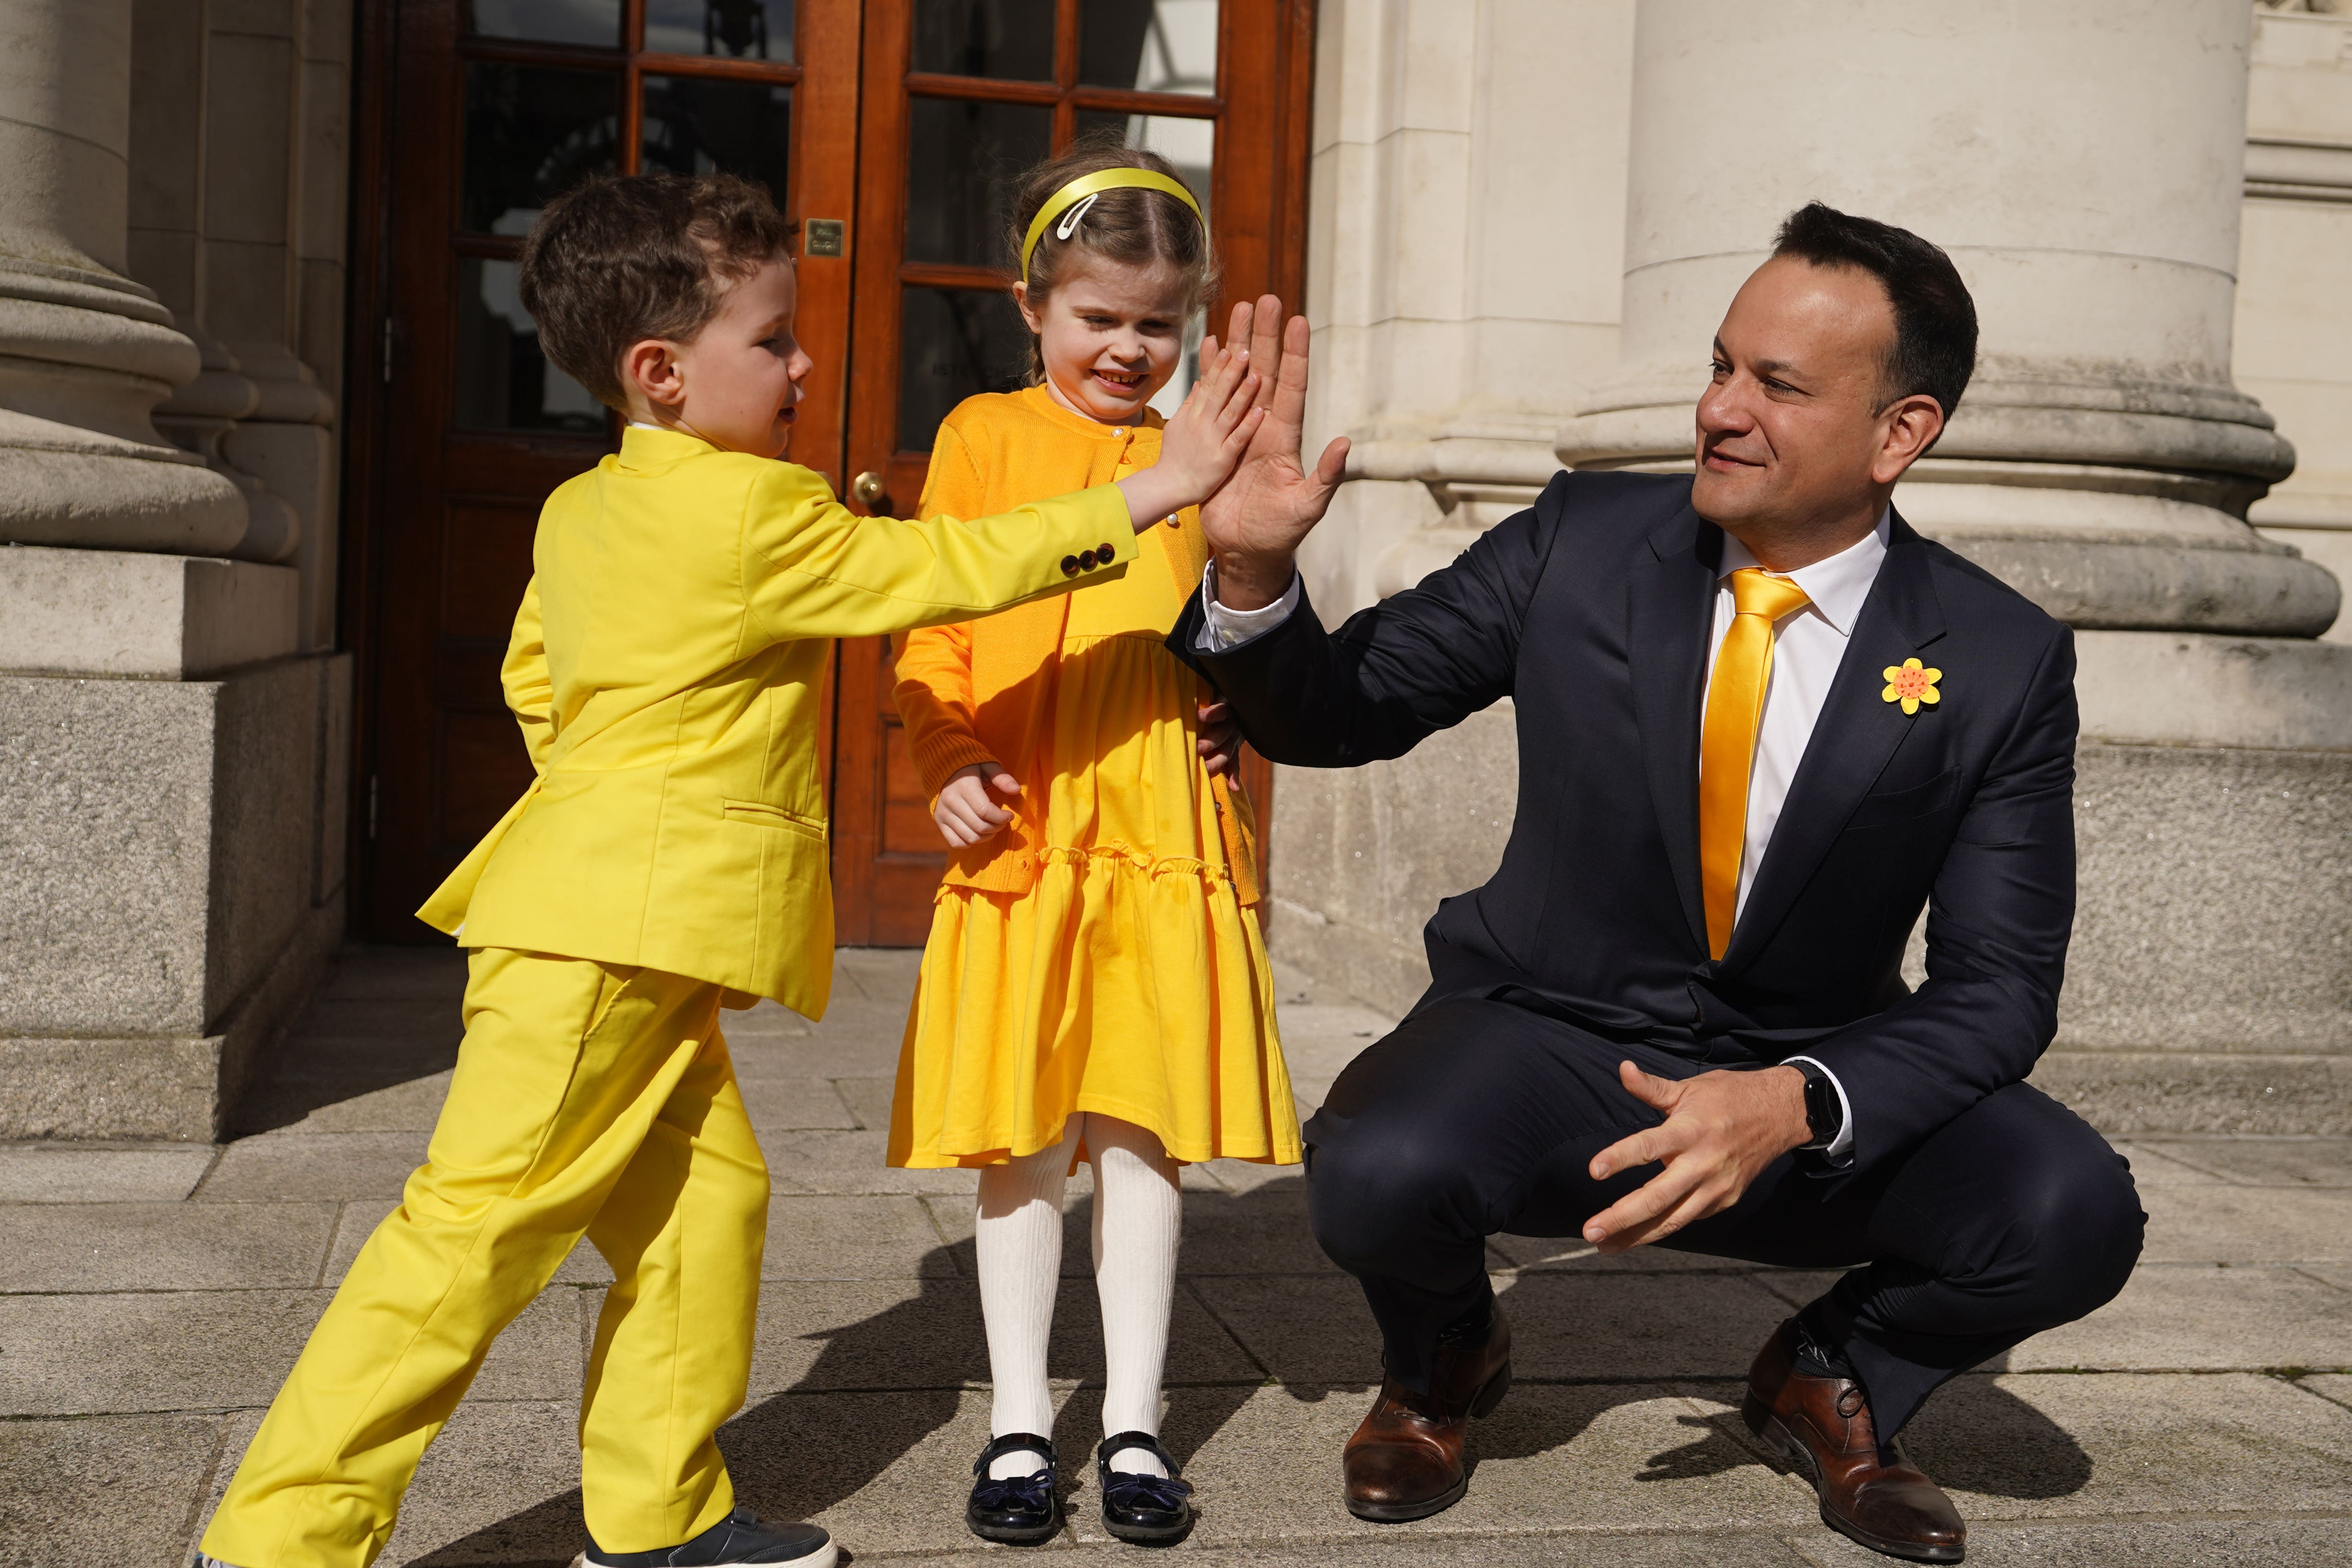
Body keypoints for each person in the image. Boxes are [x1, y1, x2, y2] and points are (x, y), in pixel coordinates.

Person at [194, 171, 1267, 1568]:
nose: (803, 362)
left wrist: (614, 795)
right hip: (607, 941)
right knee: (470, 1235)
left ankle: (656, 1519)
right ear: (662, 371)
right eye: (772, 342)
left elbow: (538, 682)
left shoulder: (585, 510)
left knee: (711, 1206)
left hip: (628, 929)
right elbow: (945, 567)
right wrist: (1159, 488)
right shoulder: (755, 517)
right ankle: (277, 1542)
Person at [1172, 206, 2147, 1564]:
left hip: (1805, 1081)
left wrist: (1798, 1099)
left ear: (1898, 433)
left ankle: (1834, 1376)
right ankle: (1448, 1353)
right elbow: (1342, 710)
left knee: (2071, 1211)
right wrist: (1254, 567)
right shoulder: (1579, 539)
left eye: (1777, 386)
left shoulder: (1994, 658)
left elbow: (1998, 993)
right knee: (1376, 1166)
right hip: (1551, 1039)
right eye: (1719, 365)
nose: (1716, 410)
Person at [886, 139, 1302, 1550]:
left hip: (1161, 824)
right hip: (1028, 819)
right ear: (1031, 305)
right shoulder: (984, 437)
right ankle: (1016, 1421)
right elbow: (929, 624)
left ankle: (1131, 1420)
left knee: (1141, 1135)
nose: (1128, 349)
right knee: (1023, 1133)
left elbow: (1229, 627)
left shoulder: (1211, 452)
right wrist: (941, 755)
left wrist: (1236, 708)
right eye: (1098, 318)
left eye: (1156, 325)